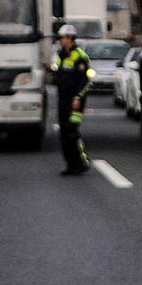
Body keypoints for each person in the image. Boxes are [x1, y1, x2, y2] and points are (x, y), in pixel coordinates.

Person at [52, 24, 94, 175]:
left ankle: (82, 162)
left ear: (70, 38)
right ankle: (70, 165)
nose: (60, 41)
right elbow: (57, 75)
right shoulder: (60, 56)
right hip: (63, 100)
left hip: (75, 102)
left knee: (72, 132)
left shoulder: (79, 56)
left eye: (62, 38)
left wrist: (78, 97)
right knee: (63, 133)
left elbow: (86, 81)